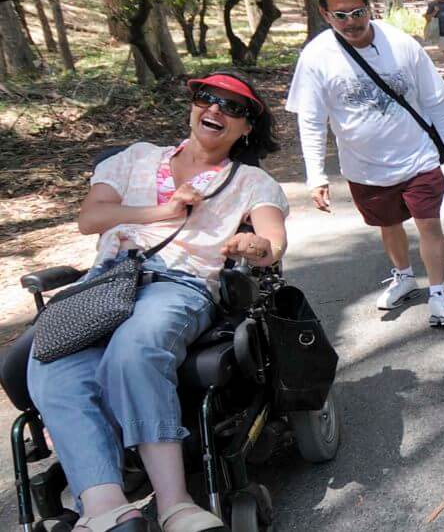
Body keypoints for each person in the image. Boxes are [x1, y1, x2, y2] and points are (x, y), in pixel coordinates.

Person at [27, 72, 288, 532]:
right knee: (51, 357)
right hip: (107, 280)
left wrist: (254, 247)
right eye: (207, 98)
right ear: (192, 105)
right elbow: (92, 218)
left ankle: (175, 505)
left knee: (136, 348)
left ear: (247, 127)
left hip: (179, 283)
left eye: (232, 107)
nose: (215, 110)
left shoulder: (250, 180)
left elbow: (273, 240)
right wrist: (163, 211)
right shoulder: (135, 159)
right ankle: (106, 506)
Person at [288, 0, 444, 327]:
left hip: (417, 156)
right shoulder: (316, 57)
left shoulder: (401, 44)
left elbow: (436, 100)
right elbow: (311, 121)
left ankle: (438, 297)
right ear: (325, 14)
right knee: (389, 224)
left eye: (357, 12)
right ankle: (403, 276)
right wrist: (315, 176)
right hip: (365, 167)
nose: (351, 22)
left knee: (429, 224)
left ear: (368, 7)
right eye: (340, 15)